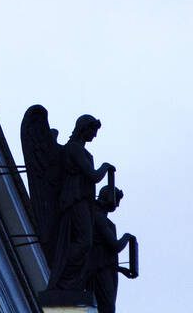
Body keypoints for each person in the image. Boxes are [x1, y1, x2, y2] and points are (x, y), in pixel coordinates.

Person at [53, 114, 114, 291]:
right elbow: (93, 176)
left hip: (83, 201)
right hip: (75, 199)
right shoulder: (74, 148)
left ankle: (71, 279)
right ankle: (64, 276)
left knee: (85, 243)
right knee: (85, 242)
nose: (94, 135)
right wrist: (105, 167)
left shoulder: (82, 151)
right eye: (93, 130)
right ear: (84, 128)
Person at [87, 185, 136, 313]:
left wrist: (119, 269)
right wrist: (127, 237)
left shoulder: (103, 219)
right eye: (117, 201)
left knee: (108, 307)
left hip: (106, 269)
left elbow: (106, 254)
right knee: (107, 307)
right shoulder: (98, 217)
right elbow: (115, 246)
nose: (117, 205)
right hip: (99, 270)